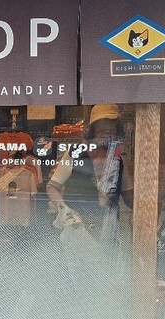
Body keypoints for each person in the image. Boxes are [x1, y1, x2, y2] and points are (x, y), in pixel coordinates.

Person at [45, 104, 132, 247]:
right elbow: (52, 186)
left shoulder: (119, 159)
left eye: (112, 124)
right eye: (102, 123)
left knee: (106, 259)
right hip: (77, 229)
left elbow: (129, 198)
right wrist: (64, 209)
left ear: (117, 129)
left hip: (108, 229)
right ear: (93, 127)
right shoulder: (75, 153)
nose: (107, 129)